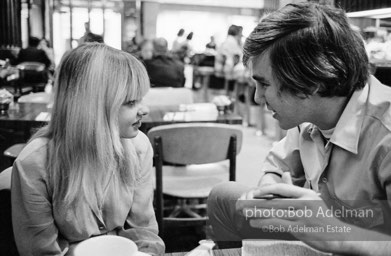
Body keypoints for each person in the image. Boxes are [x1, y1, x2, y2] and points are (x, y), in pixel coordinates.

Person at [207, 2, 391, 255]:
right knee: (224, 196)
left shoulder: (386, 137)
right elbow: (277, 164)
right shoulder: (310, 114)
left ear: (311, 83)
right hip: (318, 238)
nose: (257, 98)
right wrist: (269, 191)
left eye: (264, 85)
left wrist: (339, 236)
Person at [11, 43, 165, 255]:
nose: (144, 110)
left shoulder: (139, 146)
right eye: (130, 102)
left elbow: (144, 231)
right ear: (91, 108)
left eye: (141, 99)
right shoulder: (34, 163)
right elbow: (40, 251)